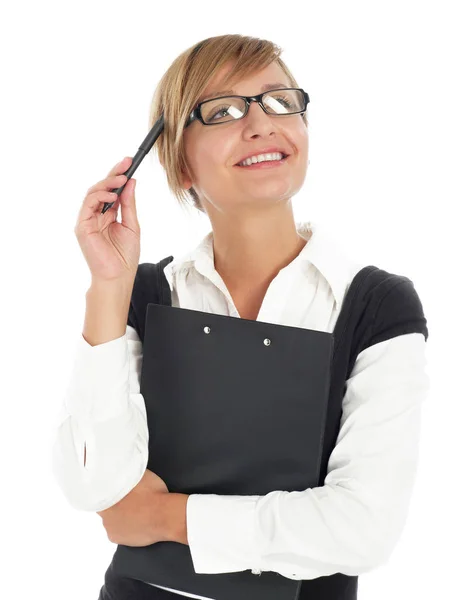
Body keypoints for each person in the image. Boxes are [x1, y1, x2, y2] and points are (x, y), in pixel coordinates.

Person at [51, 34, 430, 600]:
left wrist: (163, 517)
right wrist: (109, 285)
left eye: (279, 100)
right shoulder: (145, 293)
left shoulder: (375, 306)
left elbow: (362, 530)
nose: (261, 124)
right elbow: (94, 487)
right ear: (178, 163)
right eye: (223, 110)